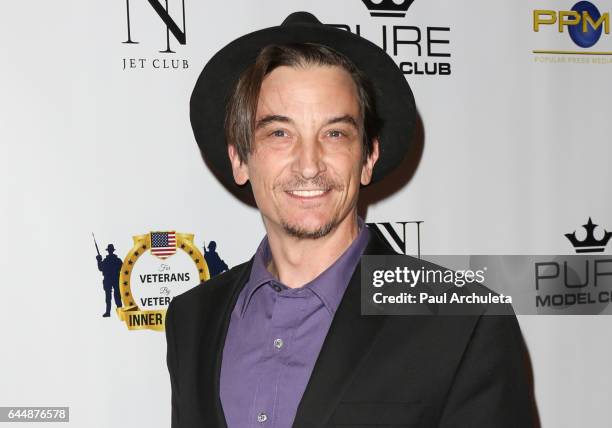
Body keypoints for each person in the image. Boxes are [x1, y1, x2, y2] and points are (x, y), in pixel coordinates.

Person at [165, 11, 535, 428]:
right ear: (240, 159)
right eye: (279, 134)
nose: (309, 165)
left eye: (335, 134)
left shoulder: (462, 322)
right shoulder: (192, 319)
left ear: (368, 158)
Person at [96, 243, 123, 317]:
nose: (110, 251)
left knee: (115, 296)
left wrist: (99, 260)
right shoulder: (113, 260)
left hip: (114, 279)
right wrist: (99, 260)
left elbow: (101, 268)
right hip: (110, 279)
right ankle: (109, 312)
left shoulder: (115, 260)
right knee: (110, 296)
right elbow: (101, 268)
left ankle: (117, 311)